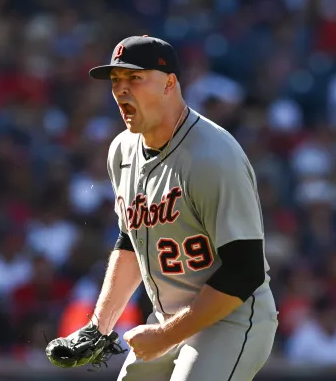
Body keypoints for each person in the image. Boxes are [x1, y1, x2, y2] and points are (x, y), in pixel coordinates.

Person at [85, 35, 279, 380]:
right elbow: (131, 242)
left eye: (134, 78)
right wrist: (98, 327)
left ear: (169, 84)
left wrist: (165, 336)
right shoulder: (122, 150)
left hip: (232, 319)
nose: (121, 90)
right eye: (116, 80)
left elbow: (245, 271)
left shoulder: (214, 156)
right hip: (169, 319)